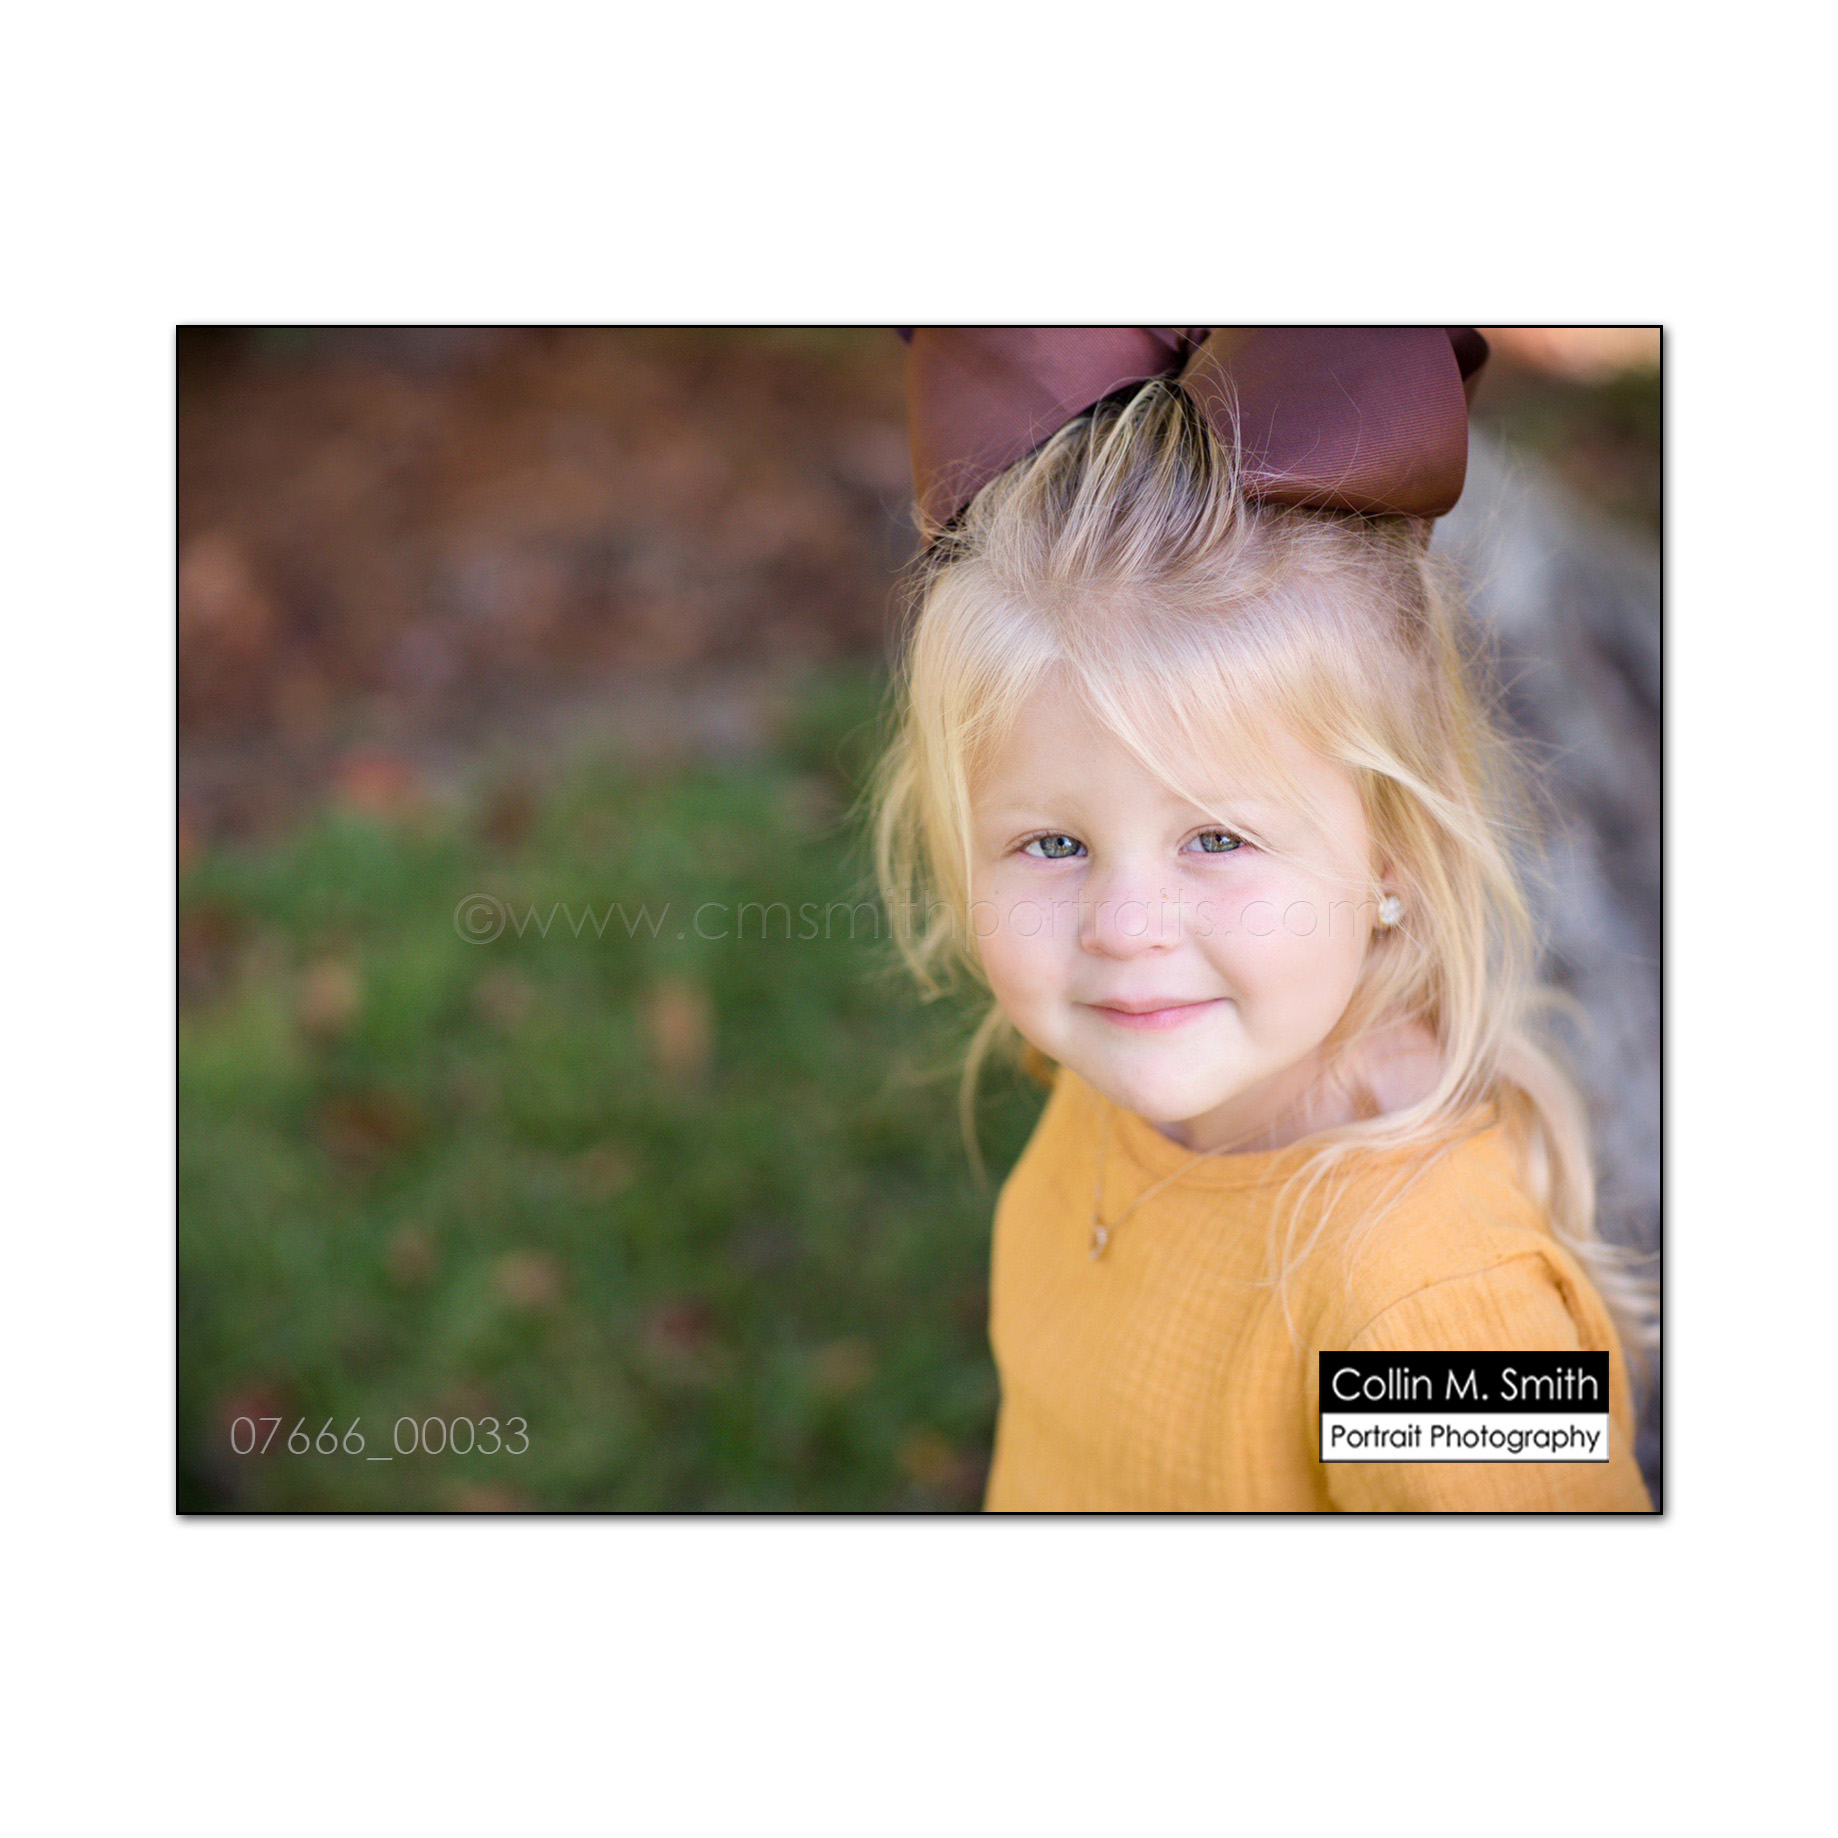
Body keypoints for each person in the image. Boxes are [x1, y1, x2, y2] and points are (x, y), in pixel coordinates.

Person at [868, 328, 1656, 1511]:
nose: (1123, 925)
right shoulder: (1153, 1056)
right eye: (1053, 843)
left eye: (1216, 839)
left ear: (1392, 846)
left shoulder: (1432, 1305)